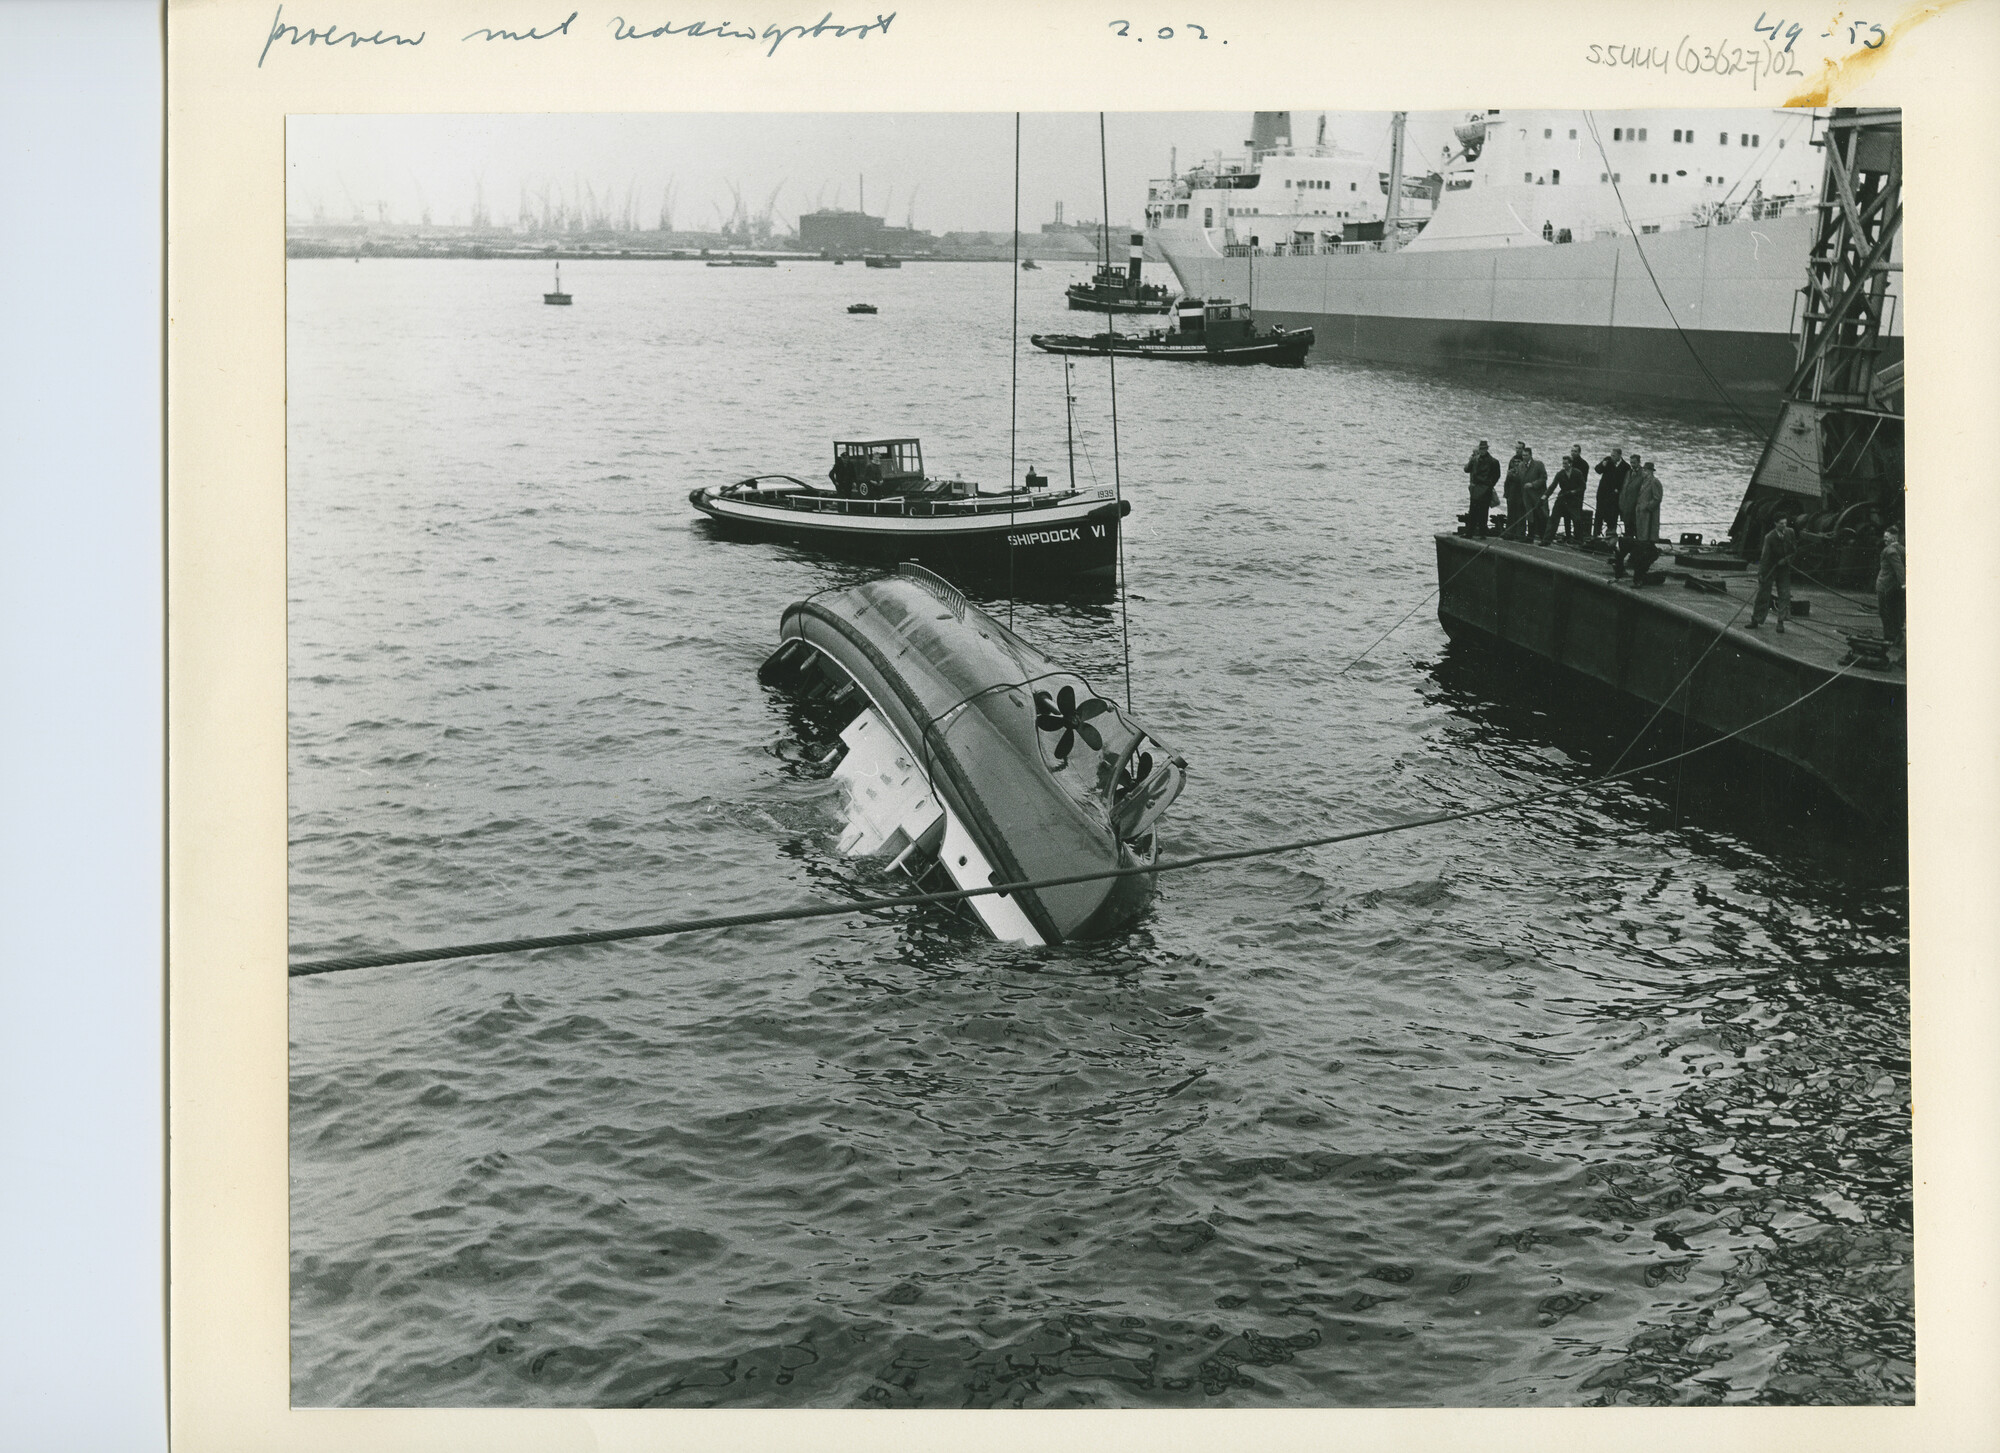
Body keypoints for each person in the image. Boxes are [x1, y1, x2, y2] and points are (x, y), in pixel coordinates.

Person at [1749, 514, 1799, 629]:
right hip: (1770, 568)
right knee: (1763, 594)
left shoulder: (1790, 532)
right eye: (1781, 523)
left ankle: (1781, 622)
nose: (1784, 526)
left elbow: (1794, 550)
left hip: (1784, 568)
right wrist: (1762, 574)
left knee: (1785, 595)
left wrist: (1786, 560)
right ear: (1775, 524)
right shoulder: (1769, 537)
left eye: (1785, 523)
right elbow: (1765, 557)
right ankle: (1756, 620)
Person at [1610, 453, 1645, 578]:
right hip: (1626, 509)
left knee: (1635, 534)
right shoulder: (1628, 473)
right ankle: (1627, 557)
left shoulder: (1642, 475)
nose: (1632, 465)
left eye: (1634, 462)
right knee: (1628, 533)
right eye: (1631, 462)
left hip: (1635, 510)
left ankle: (1633, 557)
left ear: (1639, 462)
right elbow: (1625, 488)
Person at [1547, 445, 1589, 542]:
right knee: (1566, 515)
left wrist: (1575, 491)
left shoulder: (1584, 465)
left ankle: (1578, 537)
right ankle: (1568, 535)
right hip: (1566, 494)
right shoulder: (1565, 467)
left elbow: (1583, 483)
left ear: (1579, 452)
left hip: (1576, 495)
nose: (1573, 453)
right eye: (1572, 451)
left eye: (1575, 451)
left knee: (1576, 517)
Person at [1877, 520, 1906, 650]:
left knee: (1885, 612)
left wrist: (1904, 584)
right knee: (1895, 611)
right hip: (1895, 587)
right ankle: (1896, 634)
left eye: (1887, 537)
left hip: (1886, 587)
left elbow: (1899, 569)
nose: (1885, 540)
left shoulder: (1890, 551)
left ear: (1893, 537)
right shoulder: (1902, 549)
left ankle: (1891, 636)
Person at [1463, 440, 1500, 538]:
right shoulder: (1474, 460)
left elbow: (1497, 475)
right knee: (1473, 511)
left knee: (1483, 512)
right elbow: (1466, 469)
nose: (1482, 451)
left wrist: (1490, 486)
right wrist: (1470, 460)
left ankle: (1482, 533)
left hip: (1485, 489)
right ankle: (1470, 532)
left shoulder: (1493, 462)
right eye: (1481, 449)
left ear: (1487, 449)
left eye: (1484, 449)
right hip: (1476, 489)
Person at [1594, 447, 1629, 540]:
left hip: (1614, 496)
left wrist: (1619, 489)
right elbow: (1597, 470)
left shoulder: (1626, 466)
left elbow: (1626, 482)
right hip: (1603, 494)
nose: (1612, 457)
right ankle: (1596, 536)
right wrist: (1603, 464)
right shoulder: (1607, 461)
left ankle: (1610, 538)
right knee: (1599, 515)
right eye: (1611, 455)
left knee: (1612, 517)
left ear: (1619, 456)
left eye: (1614, 456)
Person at [1518, 448, 1552, 542]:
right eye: (1523, 455)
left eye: (1526, 455)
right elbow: (1519, 478)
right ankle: (1530, 537)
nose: (1524, 457)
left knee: (1541, 516)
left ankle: (1543, 537)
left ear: (1530, 455)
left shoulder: (1538, 464)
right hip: (1526, 496)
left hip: (1537, 495)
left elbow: (1544, 478)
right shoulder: (1520, 465)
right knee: (1530, 516)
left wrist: (1533, 484)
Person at [1503, 441, 1532, 527]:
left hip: (1521, 490)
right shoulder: (1512, 460)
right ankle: (1510, 533)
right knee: (1511, 511)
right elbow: (1508, 476)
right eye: (1516, 448)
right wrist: (1506, 491)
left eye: (1519, 448)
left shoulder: (1526, 461)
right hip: (1512, 489)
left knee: (1521, 512)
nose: (1517, 450)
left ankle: (1520, 534)